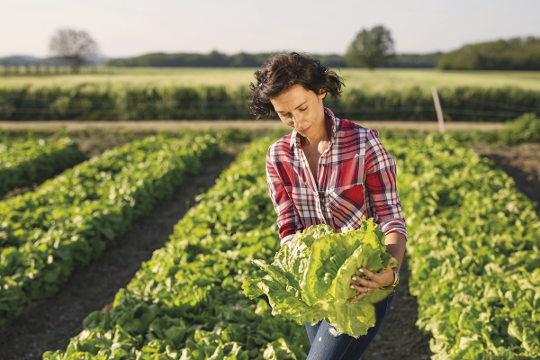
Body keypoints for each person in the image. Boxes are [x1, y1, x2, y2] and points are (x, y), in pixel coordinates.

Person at [248, 52, 409, 360]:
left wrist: (390, 272)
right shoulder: (278, 156)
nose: (299, 121)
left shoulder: (364, 143)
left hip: (363, 284)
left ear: (321, 91)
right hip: (314, 288)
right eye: (285, 115)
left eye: (302, 108)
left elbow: (391, 219)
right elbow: (288, 227)